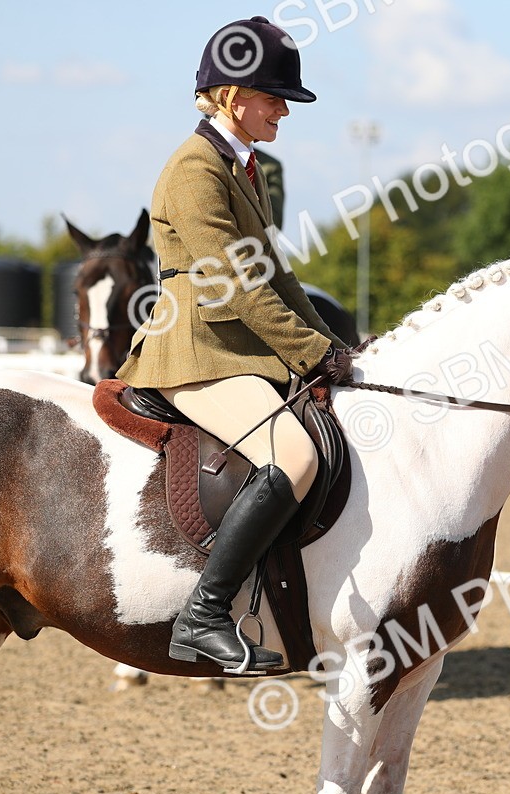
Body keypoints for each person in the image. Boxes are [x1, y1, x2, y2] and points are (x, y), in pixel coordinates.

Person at [117, 16, 354, 672]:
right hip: (194, 349)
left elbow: (277, 276)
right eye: (273, 97)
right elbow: (238, 286)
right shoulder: (194, 170)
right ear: (228, 96)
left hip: (236, 348)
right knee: (295, 457)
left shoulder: (240, 166)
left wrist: (334, 345)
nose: (283, 109)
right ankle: (204, 614)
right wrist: (309, 354)